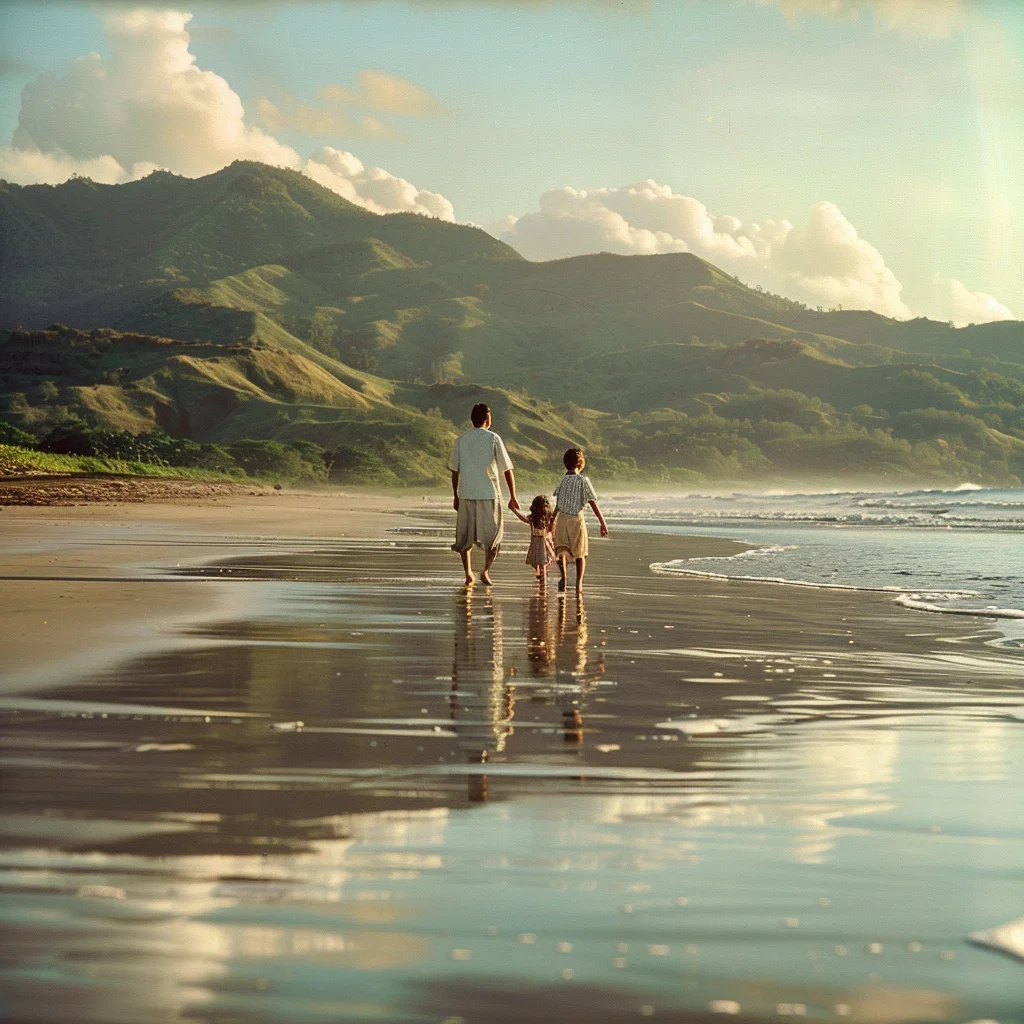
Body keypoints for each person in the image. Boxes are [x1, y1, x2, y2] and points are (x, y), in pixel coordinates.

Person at [449, 403, 520, 586]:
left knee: (464, 538)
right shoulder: (494, 438)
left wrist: (455, 495)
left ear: (472, 420)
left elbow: (455, 471)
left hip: (466, 493)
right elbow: (507, 469)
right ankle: (486, 571)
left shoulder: (461, 440)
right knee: (495, 537)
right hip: (489, 494)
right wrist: (513, 496)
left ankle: (468, 574)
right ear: (487, 419)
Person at [552, 447, 608, 594]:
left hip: (562, 518)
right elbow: (592, 502)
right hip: (576, 518)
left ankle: (563, 577)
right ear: (580, 464)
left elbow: (558, 504)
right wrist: (602, 522)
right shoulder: (584, 481)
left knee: (561, 551)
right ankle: (578, 584)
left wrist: (551, 520)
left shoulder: (563, 481)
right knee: (580, 553)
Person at [511, 494, 557, 585]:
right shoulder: (540, 519)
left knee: (540, 562)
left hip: (539, 543)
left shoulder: (540, 519)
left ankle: (542, 580)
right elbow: (552, 530)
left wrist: (514, 510)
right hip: (542, 543)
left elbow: (522, 518)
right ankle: (542, 580)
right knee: (541, 563)